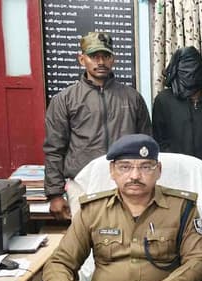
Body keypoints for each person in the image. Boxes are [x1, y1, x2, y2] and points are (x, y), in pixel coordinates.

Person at [43, 134, 202, 281]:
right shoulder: (93, 210)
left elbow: (198, 260)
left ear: (159, 170)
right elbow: (60, 262)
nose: (135, 176)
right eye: (125, 167)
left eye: (146, 167)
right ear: (112, 170)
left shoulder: (181, 207)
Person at [44, 32, 151, 221]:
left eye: (106, 56)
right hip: (83, 186)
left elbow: (146, 146)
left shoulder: (132, 98)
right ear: (82, 59)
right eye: (94, 56)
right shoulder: (65, 100)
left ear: (113, 60)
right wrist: (54, 194)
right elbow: (54, 149)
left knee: (128, 237)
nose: (101, 62)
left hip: (127, 185)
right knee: (86, 238)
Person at [152, 46, 202, 179]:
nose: (191, 76)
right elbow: (159, 141)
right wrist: (175, 168)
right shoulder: (164, 100)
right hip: (175, 174)